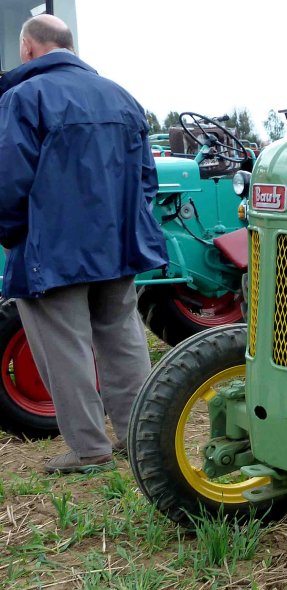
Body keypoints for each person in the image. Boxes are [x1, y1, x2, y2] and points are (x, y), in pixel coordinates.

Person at [0, 14, 167, 474]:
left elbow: (9, 182)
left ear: (29, 49)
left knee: (65, 347)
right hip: (117, 248)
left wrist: (14, 236)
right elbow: (147, 181)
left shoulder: (23, 98)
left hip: (50, 253)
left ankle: (89, 449)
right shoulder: (122, 96)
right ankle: (141, 437)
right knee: (124, 338)